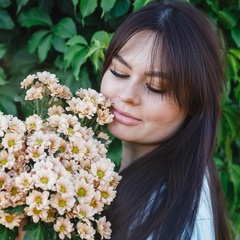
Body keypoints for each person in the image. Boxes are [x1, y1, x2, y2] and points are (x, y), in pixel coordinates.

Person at [100, 0, 231, 239]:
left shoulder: (167, 213)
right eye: (119, 72)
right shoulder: (185, 181)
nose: (127, 95)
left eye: (156, 87)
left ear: (195, 103)